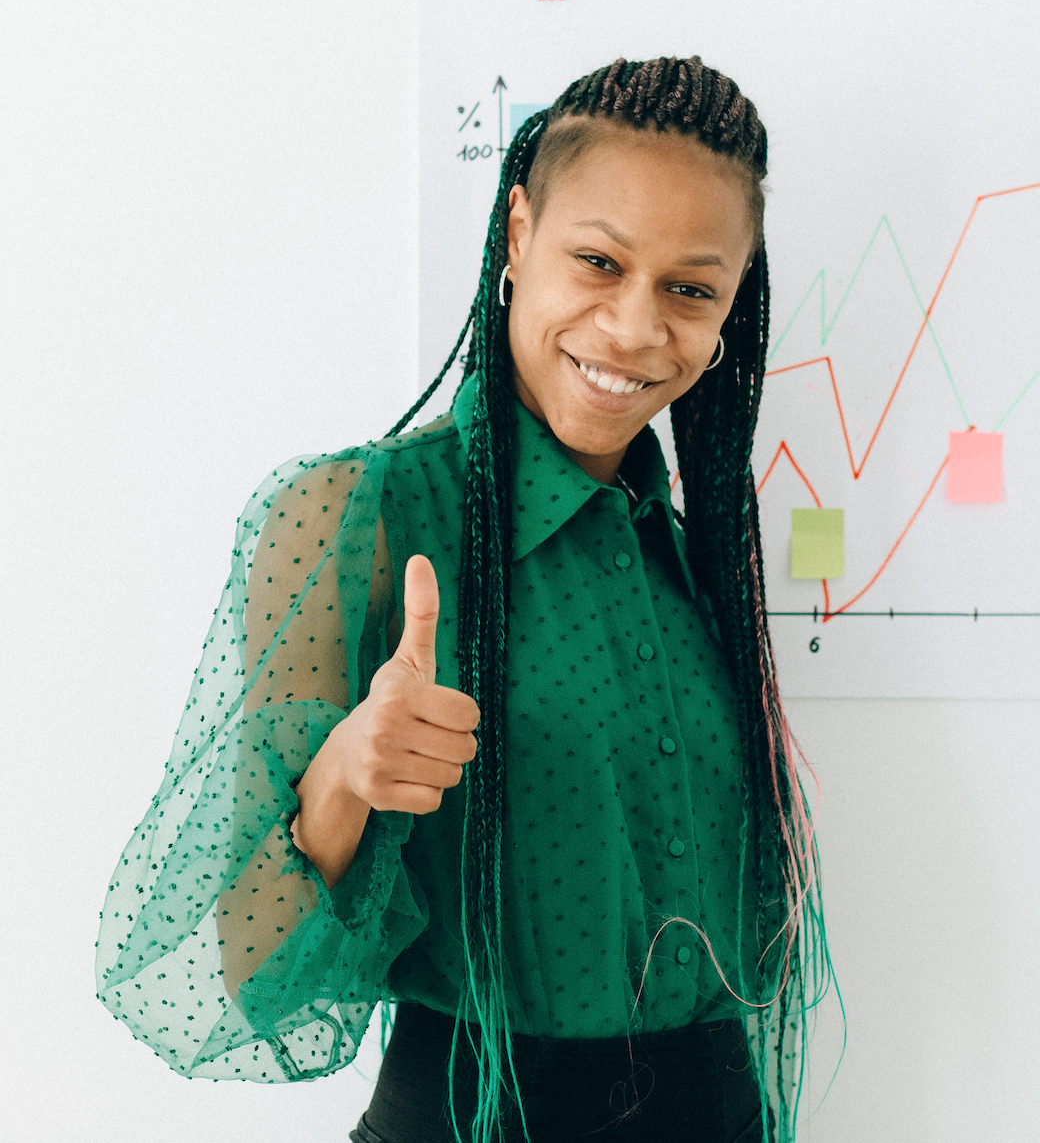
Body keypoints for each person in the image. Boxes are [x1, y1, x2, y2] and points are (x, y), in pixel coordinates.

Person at [96, 56, 832, 1143]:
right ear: (518, 233)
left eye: (688, 287)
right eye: (597, 260)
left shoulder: (690, 555)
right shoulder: (355, 515)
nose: (633, 329)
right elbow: (243, 973)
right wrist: (345, 776)